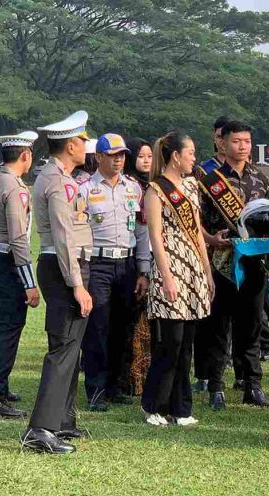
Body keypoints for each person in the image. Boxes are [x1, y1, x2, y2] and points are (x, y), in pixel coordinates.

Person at [21, 110, 93, 454]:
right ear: (69, 146)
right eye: (82, 140)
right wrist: (77, 284)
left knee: (71, 347)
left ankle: (62, 420)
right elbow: (64, 238)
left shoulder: (61, 176)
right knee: (63, 349)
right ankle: (41, 429)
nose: (85, 146)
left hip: (66, 265)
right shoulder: (58, 181)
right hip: (65, 266)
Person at [195, 120, 269, 410]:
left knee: (251, 326)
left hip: (254, 263)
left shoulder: (261, 179)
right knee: (217, 328)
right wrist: (212, 240)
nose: (242, 147)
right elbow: (195, 221)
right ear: (222, 143)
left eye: (247, 141)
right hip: (220, 263)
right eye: (236, 141)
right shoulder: (206, 178)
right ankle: (215, 387)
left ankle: (252, 385)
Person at [140, 131, 213, 426]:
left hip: (193, 267)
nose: (194, 158)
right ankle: (153, 404)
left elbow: (197, 231)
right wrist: (167, 277)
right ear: (176, 156)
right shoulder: (156, 190)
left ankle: (181, 408)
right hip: (170, 268)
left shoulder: (193, 186)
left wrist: (207, 272)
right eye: (191, 152)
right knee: (171, 341)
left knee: (187, 344)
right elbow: (155, 237)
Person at [78, 133, 151, 411]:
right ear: (98, 157)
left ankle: (115, 385)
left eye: (122, 155)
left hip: (128, 264)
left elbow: (142, 231)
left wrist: (143, 270)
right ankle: (95, 389)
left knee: (122, 326)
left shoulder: (133, 188)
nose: (119, 160)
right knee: (98, 328)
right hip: (98, 264)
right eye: (112, 155)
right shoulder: (85, 188)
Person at [0, 131, 40, 419]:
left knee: (2, 324)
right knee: (9, 326)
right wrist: (30, 283)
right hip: (7, 259)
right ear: (25, 156)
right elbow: (18, 239)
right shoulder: (15, 188)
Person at [192, 116, 230, 395]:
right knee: (208, 318)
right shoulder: (203, 171)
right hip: (208, 251)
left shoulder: (251, 173)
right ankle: (205, 373)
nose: (221, 140)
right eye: (218, 135)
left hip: (238, 254)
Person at [122, 137, 154, 396]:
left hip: (151, 258)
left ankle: (143, 376)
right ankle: (128, 377)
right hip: (128, 258)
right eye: (141, 155)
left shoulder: (155, 186)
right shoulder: (128, 186)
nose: (146, 160)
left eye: (150, 155)